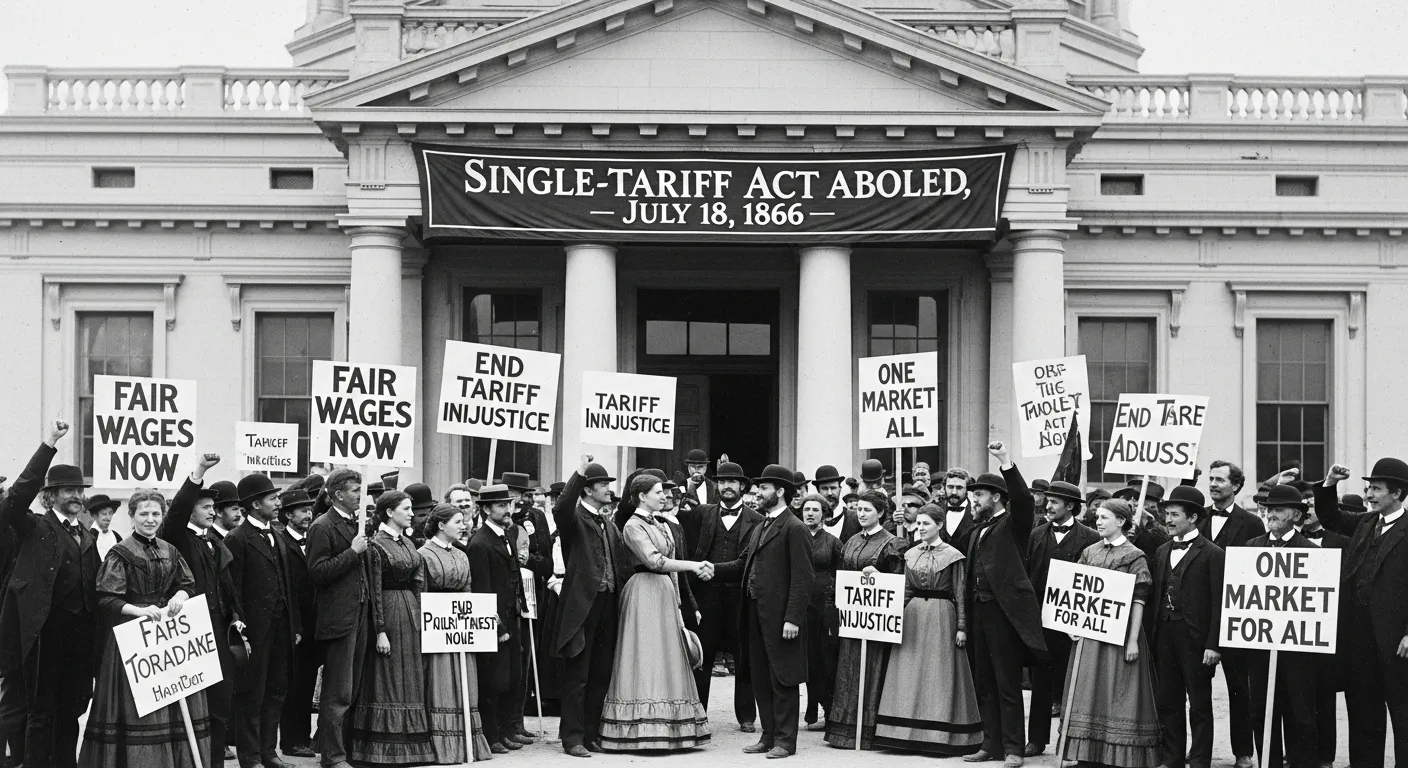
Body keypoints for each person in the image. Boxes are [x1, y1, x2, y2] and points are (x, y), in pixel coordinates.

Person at [78, 488, 209, 767]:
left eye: (156, 514)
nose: (150, 519)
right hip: (133, 637)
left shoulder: (170, 550)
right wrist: (138, 610)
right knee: (140, 706)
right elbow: (107, 598)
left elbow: (187, 584)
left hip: (165, 635)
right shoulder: (121, 552)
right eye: (144, 514)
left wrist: (178, 597)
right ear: (132, 516)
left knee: (171, 698)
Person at [0, 420, 101, 768]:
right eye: (68, 489)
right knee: (40, 713)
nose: (76, 495)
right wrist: (49, 443)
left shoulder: (87, 535)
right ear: (51, 495)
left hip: (79, 637)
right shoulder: (34, 526)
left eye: (79, 490)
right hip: (45, 636)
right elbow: (16, 498)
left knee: (72, 711)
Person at [597, 474, 711, 751]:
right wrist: (693, 566)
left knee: (667, 656)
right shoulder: (632, 526)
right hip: (644, 592)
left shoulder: (660, 523)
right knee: (646, 657)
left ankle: (670, 727)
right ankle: (643, 728)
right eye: (658, 492)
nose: (664, 497)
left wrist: (679, 604)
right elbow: (654, 561)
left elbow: (669, 570)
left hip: (664, 593)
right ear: (642, 496)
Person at [710, 464, 813, 758]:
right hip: (755, 615)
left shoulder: (795, 528)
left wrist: (792, 618)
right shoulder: (761, 526)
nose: (757, 492)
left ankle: (785, 741)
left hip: (781, 618)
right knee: (760, 677)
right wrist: (707, 568)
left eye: (764, 488)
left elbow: (803, 578)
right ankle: (768, 736)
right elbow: (742, 564)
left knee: (783, 678)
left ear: (780, 492)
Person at [1315, 459, 1408, 768]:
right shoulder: (1366, 522)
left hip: (1397, 642)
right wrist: (1330, 483)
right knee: (1363, 712)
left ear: (1397, 493)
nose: (1369, 494)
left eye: (1376, 489)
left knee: (1403, 714)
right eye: (1369, 488)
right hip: (1359, 639)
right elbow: (1329, 517)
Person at [157, 453, 244, 768]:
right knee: (194, 708)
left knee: (220, 705)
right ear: (191, 511)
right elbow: (176, 512)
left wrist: (237, 618)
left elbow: (229, 588)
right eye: (205, 507)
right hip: (191, 635)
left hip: (220, 634)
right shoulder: (178, 539)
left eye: (212, 507)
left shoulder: (217, 544)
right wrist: (199, 472)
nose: (212, 512)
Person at [962, 442, 1047, 767]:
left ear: (996, 497)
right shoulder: (977, 531)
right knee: (984, 680)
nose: (974, 500)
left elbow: (1023, 501)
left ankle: (1013, 748)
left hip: (1004, 614)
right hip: (980, 612)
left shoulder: (1013, 524)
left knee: (1007, 681)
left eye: (979, 494)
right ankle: (991, 744)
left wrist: (1005, 462)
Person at [1059, 498, 1161, 768]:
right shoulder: (1089, 551)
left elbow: (1139, 600)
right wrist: (1072, 625)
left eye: (1104, 517)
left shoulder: (1135, 556)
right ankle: (1087, 755)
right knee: (1088, 689)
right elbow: (1076, 592)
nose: (1098, 522)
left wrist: (1132, 641)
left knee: (1116, 690)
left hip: (1121, 634)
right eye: (1097, 517)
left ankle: (1116, 757)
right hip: (1090, 634)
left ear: (1121, 521)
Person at [873, 505, 982, 755]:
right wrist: (893, 617)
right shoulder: (911, 554)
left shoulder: (953, 556)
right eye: (919, 523)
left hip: (941, 616)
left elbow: (959, 593)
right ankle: (904, 734)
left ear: (939, 525)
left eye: (926, 524)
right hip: (913, 616)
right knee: (909, 672)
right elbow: (905, 590)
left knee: (938, 673)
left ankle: (938, 735)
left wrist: (961, 626)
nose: (921, 528)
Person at [344, 491, 435, 765]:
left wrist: (421, 616)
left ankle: (411, 747)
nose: (411, 513)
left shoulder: (408, 543)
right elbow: (375, 590)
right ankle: (380, 749)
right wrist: (381, 630)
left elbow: (419, 582)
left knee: (410, 676)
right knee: (386, 676)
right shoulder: (375, 545)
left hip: (410, 614)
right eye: (406, 509)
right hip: (388, 615)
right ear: (389, 512)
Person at [551, 459, 632, 758]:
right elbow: (561, 508)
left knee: (601, 672)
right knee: (578, 674)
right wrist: (580, 472)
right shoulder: (573, 520)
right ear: (587, 490)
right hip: (582, 607)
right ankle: (572, 738)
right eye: (603, 485)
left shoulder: (608, 524)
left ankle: (590, 734)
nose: (609, 489)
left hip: (608, 603)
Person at [677, 460, 761, 732]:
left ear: (742, 487)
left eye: (732, 482)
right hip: (707, 596)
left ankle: (746, 716)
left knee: (743, 656)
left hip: (740, 597)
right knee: (703, 655)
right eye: (722, 481)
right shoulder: (702, 513)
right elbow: (679, 528)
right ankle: (698, 712)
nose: (727, 486)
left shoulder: (757, 520)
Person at [226, 474, 302, 768]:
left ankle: (269, 753)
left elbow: (288, 584)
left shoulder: (277, 535)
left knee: (276, 690)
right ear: (256, 505)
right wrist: (240, 627)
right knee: (252, 693)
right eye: (272, 499)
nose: (278, 503)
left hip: (281, 627)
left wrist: (295, 626)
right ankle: (251, 757)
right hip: (254, 631)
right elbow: (233, 589)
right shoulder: (237, 538)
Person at [1147, 486, 1225, 768]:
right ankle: (1173, 758)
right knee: (1169, 699)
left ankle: (1201, 759)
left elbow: (1219, 602)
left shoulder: (1213, 554)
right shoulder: (1162, 550)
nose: (1167, 520)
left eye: (1174, 515)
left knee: (1200, 703)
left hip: (1195, 638)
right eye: (1167, 514)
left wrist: (1213, 644)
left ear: (1192, 518)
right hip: (1164, 634)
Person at [1245, 485, 1320, 768]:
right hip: (1260, 647)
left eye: (1277, 509)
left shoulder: (1313, 552)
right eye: (1268, 509)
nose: (1270, 514)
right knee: (1261, 712)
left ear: (1296, 515)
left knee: (1301, 715)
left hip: (1298, 650)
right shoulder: (1251, 548)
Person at [823, 490, 905, 749]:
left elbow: (899, 583)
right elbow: (840, 577)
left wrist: (879, 576)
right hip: (852, 618)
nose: (861, 514)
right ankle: (844, 731)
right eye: (858, 509)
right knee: (848, 669)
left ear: (880, 512)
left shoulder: (892, 543)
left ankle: (871, 732)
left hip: (877, 622)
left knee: (872, 669)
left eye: (867, 509)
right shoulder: (851, 541)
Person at [1024, 480, 1100, 757]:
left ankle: (1072, 744)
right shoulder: (1037, 534)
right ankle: (1036, 740)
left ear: (1070, 506)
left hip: (1074, 623)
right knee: (1040, 681)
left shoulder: (1091, 537)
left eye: (1054, 502)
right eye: (1048, 500)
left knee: (1075, 682)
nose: (1048, 505)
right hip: (1042, 621)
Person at [306, 468, 372, 768]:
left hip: (358, 615)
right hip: (339, 619)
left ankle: (339, 749)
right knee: (338, 691)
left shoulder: (356, 525)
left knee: (352, 689)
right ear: (337, 495)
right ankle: (332, 756)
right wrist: (353, 552)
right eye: (355, 491)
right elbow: (317, 573)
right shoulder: (322, 527)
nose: (361, 496)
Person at [1202, 460, 1264, 768]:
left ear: (1236, 486)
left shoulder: (1251, 523)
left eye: (1220, 480)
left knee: (1240, 690)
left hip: (1237, 618)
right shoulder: (1197, 517)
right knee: (1197, 692)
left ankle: (1243, 752)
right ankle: (1199, 753)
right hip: (1200, 618)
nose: (1213, 484)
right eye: (1211, 479)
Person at [419, 504, 492, 763]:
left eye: (464, 521)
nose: (464, 526)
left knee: (465, 682)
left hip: (459, 630)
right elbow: (420, 594)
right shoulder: (424, 554)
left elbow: (468, 591)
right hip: (438, 631)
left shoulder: (462, 555)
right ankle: (443, 748)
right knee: (440, 684)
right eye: (458, 521)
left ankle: (467, 744)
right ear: (441, 525)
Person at [468, 485, 529, 755]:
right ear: (486, 509)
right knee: (493, 679)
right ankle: (492, 735)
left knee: (511, 676)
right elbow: (482, 589)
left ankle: (506, 730)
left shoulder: (506, 535)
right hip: (495, 621)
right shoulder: (480, 543)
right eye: (501, 505)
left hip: (512, 615)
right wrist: (497, 625)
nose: (507, 510)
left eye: (509, 504)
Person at [277, 486, 320, 760]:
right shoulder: (281, 542)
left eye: (309, 510)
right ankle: (292, 741)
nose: (308, 515)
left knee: (307, 684)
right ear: (288, 515)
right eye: (302, 511)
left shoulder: (313, 539)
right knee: (294, 685)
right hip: (295, 626)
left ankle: (303, 739)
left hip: (315, 624)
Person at [796, 493, 843, 732]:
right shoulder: (795, 538)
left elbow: (841, 574)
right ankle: (811, 706)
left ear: (824, 514)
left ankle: (829, 708)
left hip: (827, 608)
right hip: (801, 606)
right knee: (807, 658)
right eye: (806, 509)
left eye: (815, 509)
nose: (810, 513)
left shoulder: (833, 542)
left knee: (826, 658)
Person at [812, 465, 861, 543]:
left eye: (833, 488)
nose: (829, 493)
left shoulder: (856, 519)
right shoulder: (810, 519)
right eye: (825, 488)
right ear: (818, 491)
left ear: (840, 489)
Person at [938, 468, 977, 553]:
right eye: (950, 487)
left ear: (967, 489)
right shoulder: (936, 511)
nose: (954, 492)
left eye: (959, 488)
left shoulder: (977, 514)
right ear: (944, 488)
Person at [86, 495, 123, 561]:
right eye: (104, 513)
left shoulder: (116, 536)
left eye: (110, 513)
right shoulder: (88, 538)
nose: (108, 518)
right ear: (94, 515)